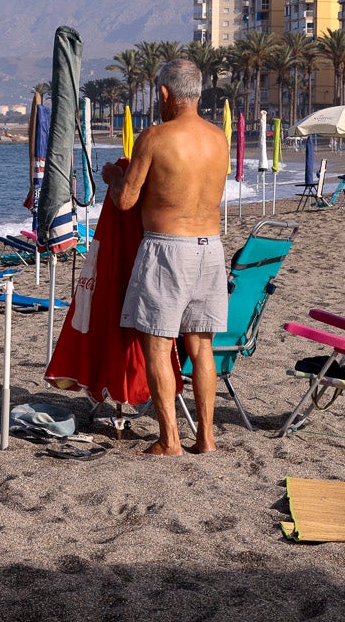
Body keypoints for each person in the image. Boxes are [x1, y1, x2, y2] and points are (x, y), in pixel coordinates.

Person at [100, 59, 228, 456]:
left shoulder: (154, 138)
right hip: (211, 247)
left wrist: (112, 176)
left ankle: (169, 439)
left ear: (165, 94)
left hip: (168, 248)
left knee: (157, 345)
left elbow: (126, 200)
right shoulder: (219, 138)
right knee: (201, 346)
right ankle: (206, 437)